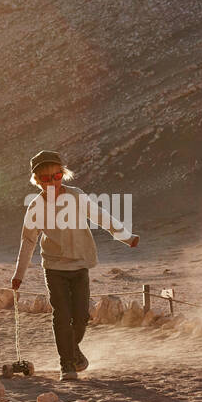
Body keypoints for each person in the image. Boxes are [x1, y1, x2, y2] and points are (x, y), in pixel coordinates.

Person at [10, 150, 138, 380]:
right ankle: (66, 364)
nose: (52, 183)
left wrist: (126, 237)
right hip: (54, 268)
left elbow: (101, 217)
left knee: (80, 317)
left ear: (63, 175)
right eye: (46, 179)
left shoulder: (77, 196)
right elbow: (28, 240)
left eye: (56, 177)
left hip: (80, 266)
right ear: (37, 181)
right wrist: (19, 275)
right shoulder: (35, 207)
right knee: (61, 315)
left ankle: (72, 350)